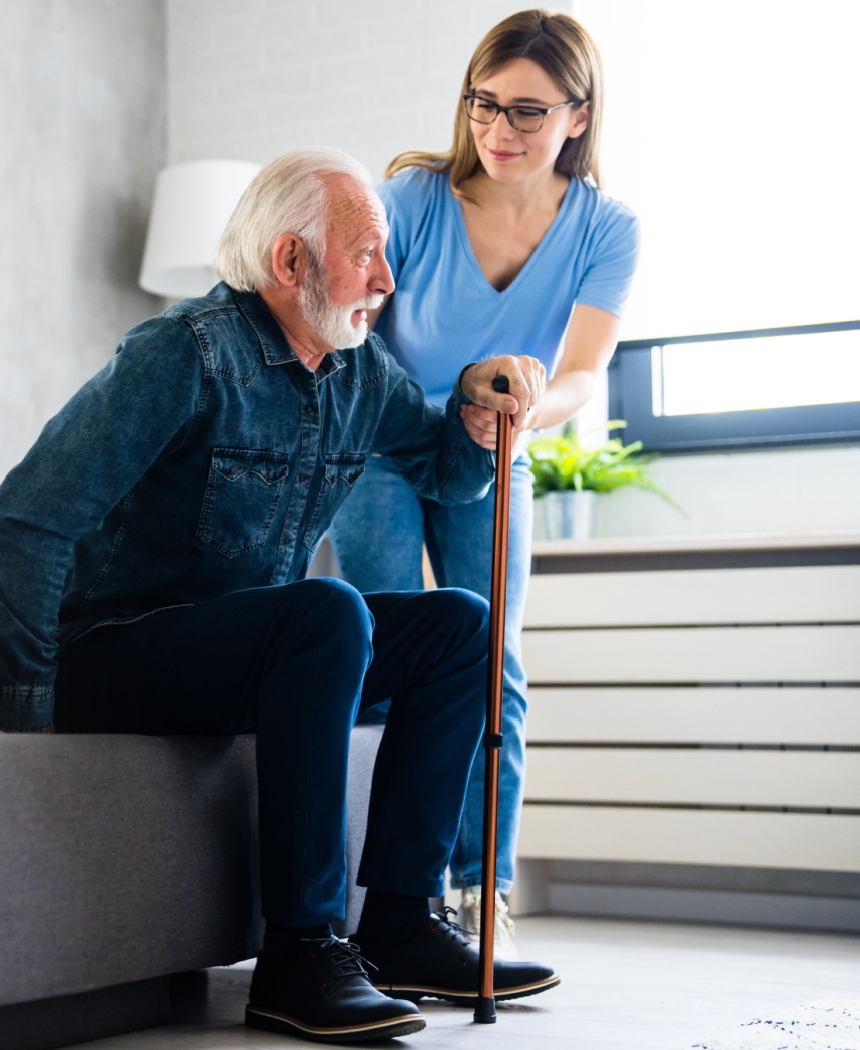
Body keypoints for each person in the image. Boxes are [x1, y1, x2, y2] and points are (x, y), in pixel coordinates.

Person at [0, 148, 559, 1044]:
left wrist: (477, 411)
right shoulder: (185, 354)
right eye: (366, 254)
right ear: (291, 263)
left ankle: (399, 924)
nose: (387, 279)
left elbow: (444, 472)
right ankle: (298, 955)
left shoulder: (359, 374)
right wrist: (25, 707)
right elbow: (28, 518)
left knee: (461, 627)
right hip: (118, 648)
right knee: (328, 611)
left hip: (254, 651)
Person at [327, 8, 640, 957]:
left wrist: (519, 407)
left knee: (492, 668)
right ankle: (374, 899)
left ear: (579, 118)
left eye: (528, 114)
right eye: (483, 104)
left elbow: (583, 373)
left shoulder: (607, 229)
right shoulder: (414, 198)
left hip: (499, 447)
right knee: (381, 654)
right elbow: (355, 337)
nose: (498, 132)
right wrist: (439, 408)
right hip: (385, 445)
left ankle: (476, 891)